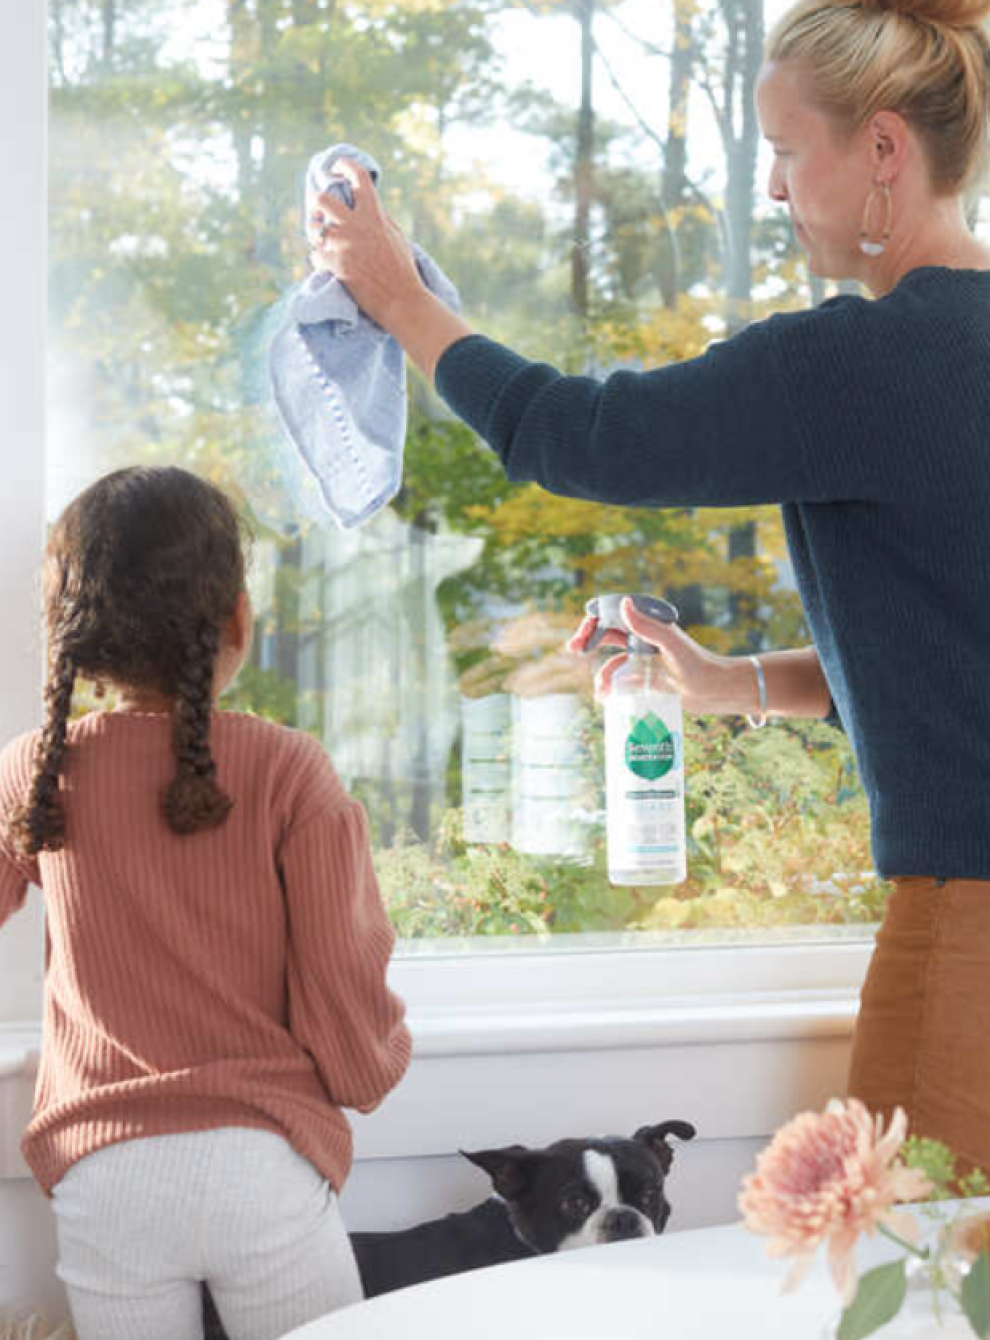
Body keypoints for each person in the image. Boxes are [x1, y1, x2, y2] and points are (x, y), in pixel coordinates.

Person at [311, 0, 990, 1179]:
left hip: (970, 914)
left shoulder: (855, 361)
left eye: (786, 151)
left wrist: (400, 300)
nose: (773, 190)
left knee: (926, 1271)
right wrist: (732, 683)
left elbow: (581, 436)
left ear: (885, 149)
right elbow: (956, 650)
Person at [0, 466, 412, 1340]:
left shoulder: (35, 768)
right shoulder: (289, 769)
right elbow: (345, 990)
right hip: (260, 1159)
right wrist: (374, 1066)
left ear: (78, 637)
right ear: (236, 618)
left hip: (102, 1171)